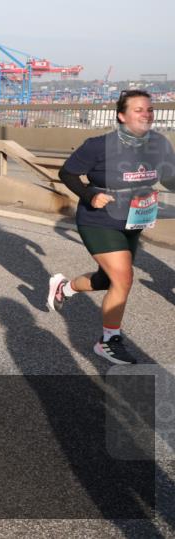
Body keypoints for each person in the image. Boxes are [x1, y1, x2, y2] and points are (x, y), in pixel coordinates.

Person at [48, 90, 175, 365]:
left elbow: (169, 179)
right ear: (121, 115)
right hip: (99, 219)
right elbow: (67, 173)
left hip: (134, 219)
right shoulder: (98, 145)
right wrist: (90, 195)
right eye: (139, 109)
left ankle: (64, 288)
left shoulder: (159, 145)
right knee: (124, 279)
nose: (147, 114)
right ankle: (108, 341)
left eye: (149, 109)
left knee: (107, 280)